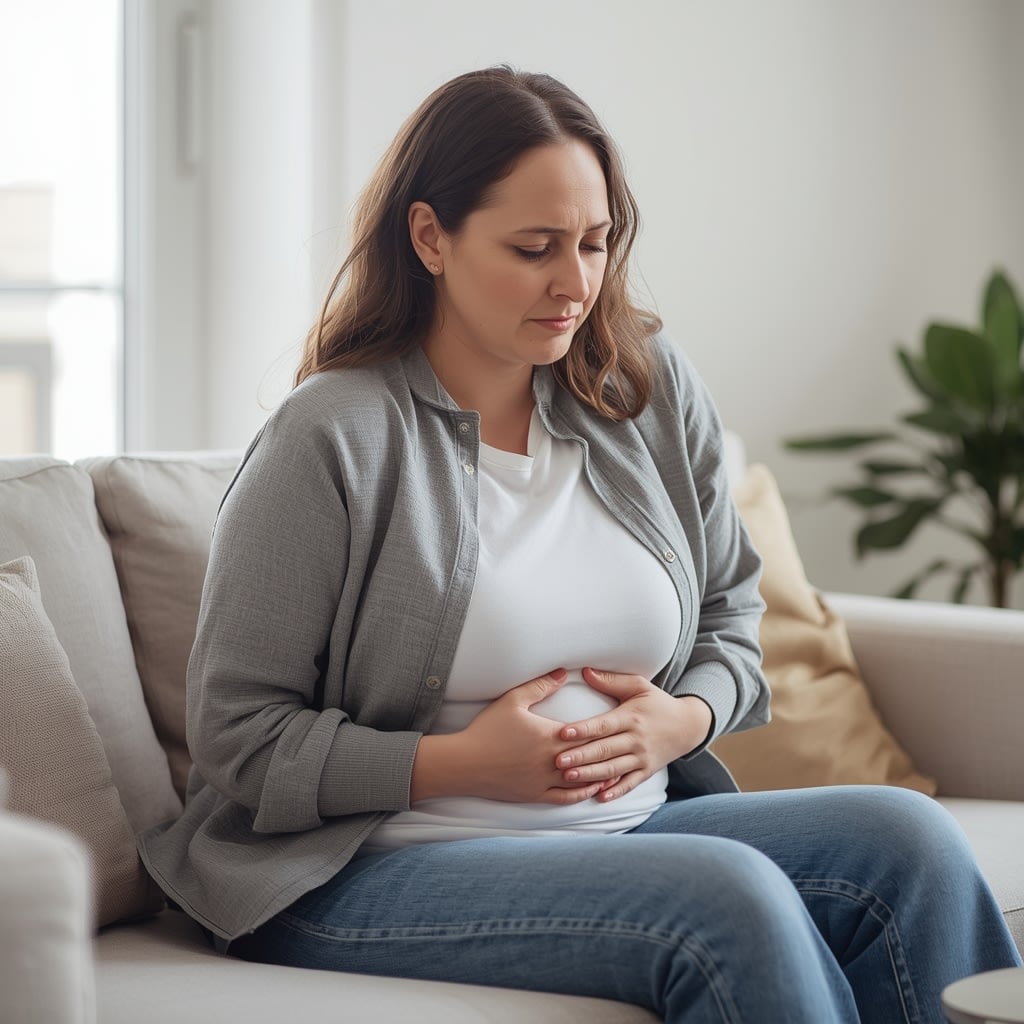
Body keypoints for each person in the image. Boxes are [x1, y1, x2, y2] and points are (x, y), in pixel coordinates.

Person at [138, 66, 1021, 1023]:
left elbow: (730, 607)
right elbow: (238, 735)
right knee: (727, 899)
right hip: (372, 864)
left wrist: (683, 721)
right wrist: (459, 764)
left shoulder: (641, 386)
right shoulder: (334, 434)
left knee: (909, 840)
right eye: (534, 248)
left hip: (636, 824)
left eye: (596, 242)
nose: (576, 282)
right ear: (430, 236)